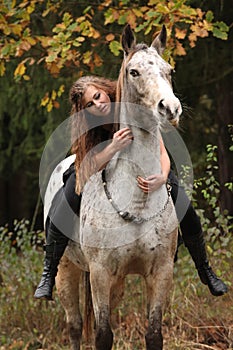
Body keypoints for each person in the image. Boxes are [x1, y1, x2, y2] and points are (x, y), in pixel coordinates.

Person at [34, 75, 228, 300]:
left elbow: (161, 150)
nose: (98, 104)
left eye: (98, 96)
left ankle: (205, 270)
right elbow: (89, 165)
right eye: (90, 104)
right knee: (66, 199)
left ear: (106, 90)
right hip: (98, 167)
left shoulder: (129, 107)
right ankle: (49, 272)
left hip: (147, 166)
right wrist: (113, 146)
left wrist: (163, 176)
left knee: (184, 205)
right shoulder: (89, 126)